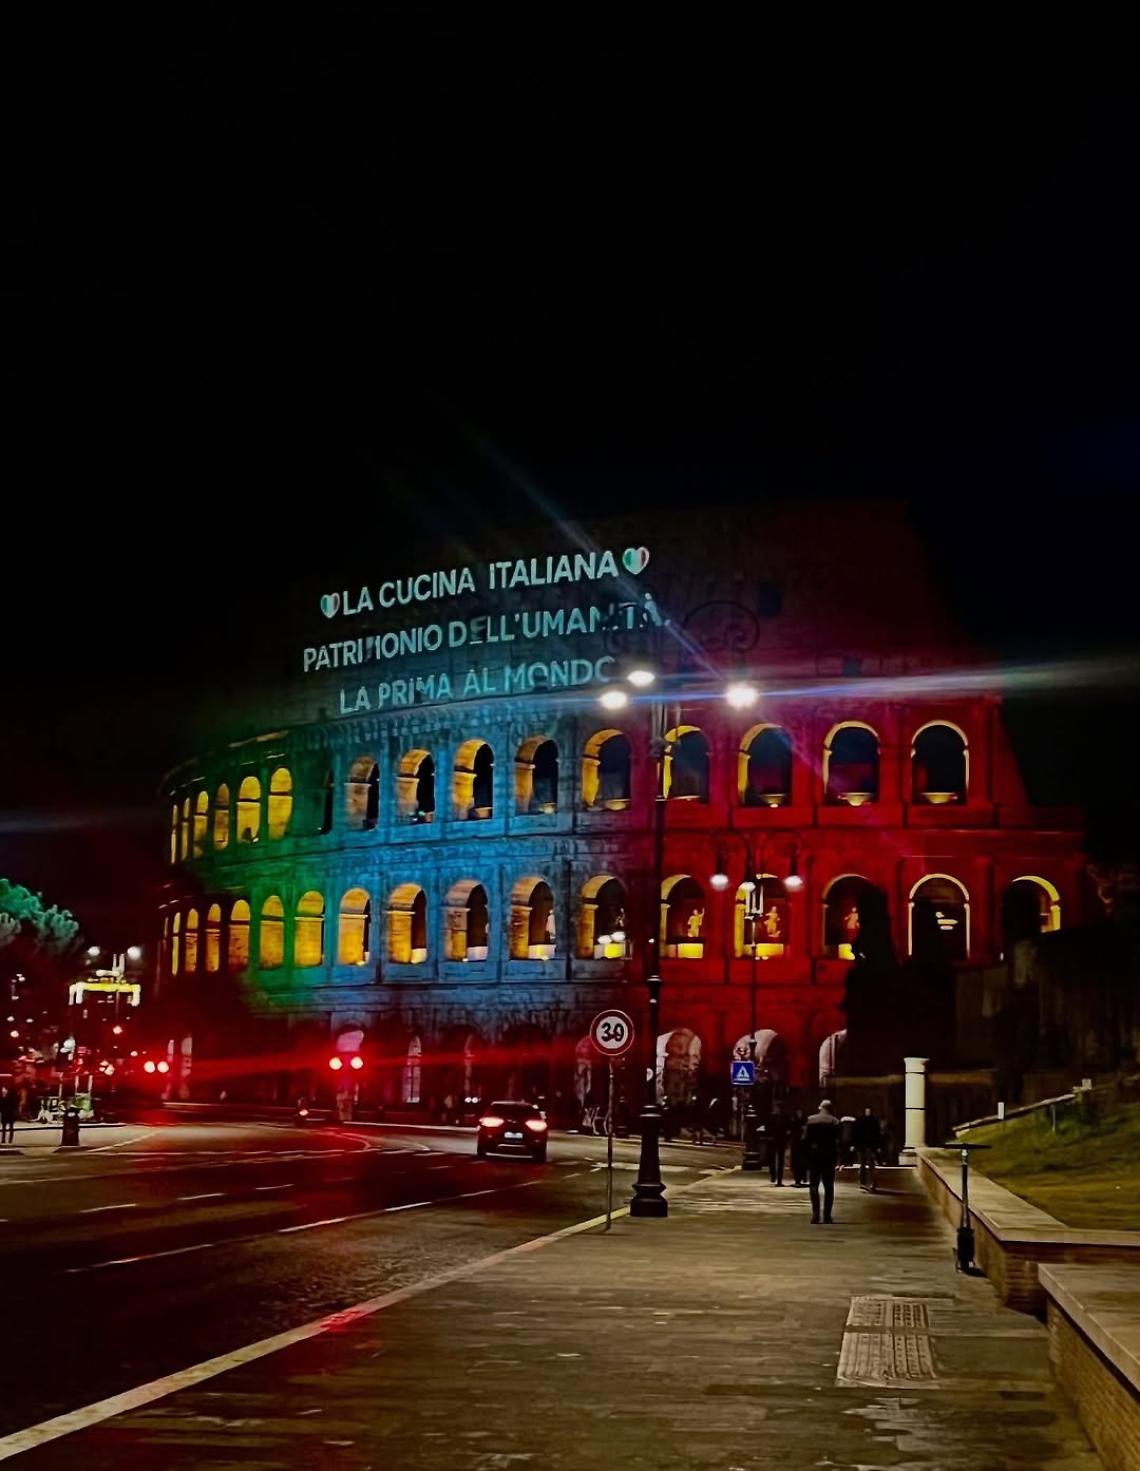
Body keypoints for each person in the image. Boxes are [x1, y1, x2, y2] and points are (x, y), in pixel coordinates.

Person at [805, 1098, 842, 1224]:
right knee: (828, 1187)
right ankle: (827, 1215)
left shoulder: (811, 1120)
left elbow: (805, 1140)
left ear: (820, 1108)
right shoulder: (835, 1122)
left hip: (814, 1156)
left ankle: (815, 1214)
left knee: (814, 1185)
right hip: (829, 1156)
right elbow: (839, 1142)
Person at [852, 1106, 882, 1192]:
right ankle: (866, 1182)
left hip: (867, 1146)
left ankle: (867, 1182)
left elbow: (855, 1133)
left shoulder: (860, 1121)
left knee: (867, 1164)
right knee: (866, 1164)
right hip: (866, 1146)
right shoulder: (873, 1121)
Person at [767, 1103, 789, 1185]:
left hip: (781, 1140)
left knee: (780, 1161)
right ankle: (773, 1175)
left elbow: (788, 1128)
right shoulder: (772, 1116)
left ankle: (779, 1179)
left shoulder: (785, 1116)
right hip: (774, 1140)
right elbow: (768, 1127)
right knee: (772, 1159)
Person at [789, 1109, 808, 1186]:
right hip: (796, 1145)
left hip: (803, 1146)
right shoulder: (794, 1122)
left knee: (802, 1163)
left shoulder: (805, 1122)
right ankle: (797, 1180)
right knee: (796, 1164)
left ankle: (802, 1178)